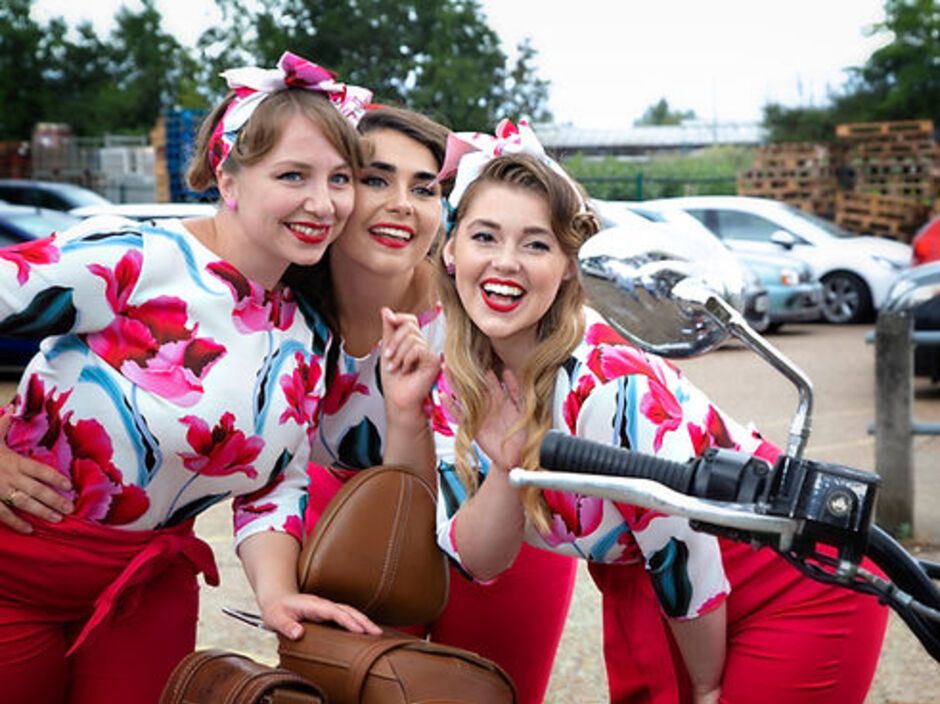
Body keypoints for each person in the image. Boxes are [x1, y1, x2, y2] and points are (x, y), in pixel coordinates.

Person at [414, 119, 889, 704]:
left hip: (788, 584)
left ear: (569, 265)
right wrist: (512, 464)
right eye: (485, 237)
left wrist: (706, 685)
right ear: (452, 251)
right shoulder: (453, 378)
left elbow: (680, 545)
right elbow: (476, 558)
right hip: (661, 594)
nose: (506, 262)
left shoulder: (605, 378)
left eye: (536, 243)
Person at [0, 51, 394, 704]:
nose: (323, 203)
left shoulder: (307, 334)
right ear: (228, 177)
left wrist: (277, 594)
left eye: (341, 178)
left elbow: (277, 482)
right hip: (12, 574)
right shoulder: (133, 258)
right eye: (293, 175)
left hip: (144, 589)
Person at [287, 104, 578, 703]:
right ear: (334, 190)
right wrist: (35, 452)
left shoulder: (483, 309)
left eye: (424, 188)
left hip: (498, 535)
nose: (401, 203)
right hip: (350, 536)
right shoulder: (280, 316)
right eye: (375, 179)